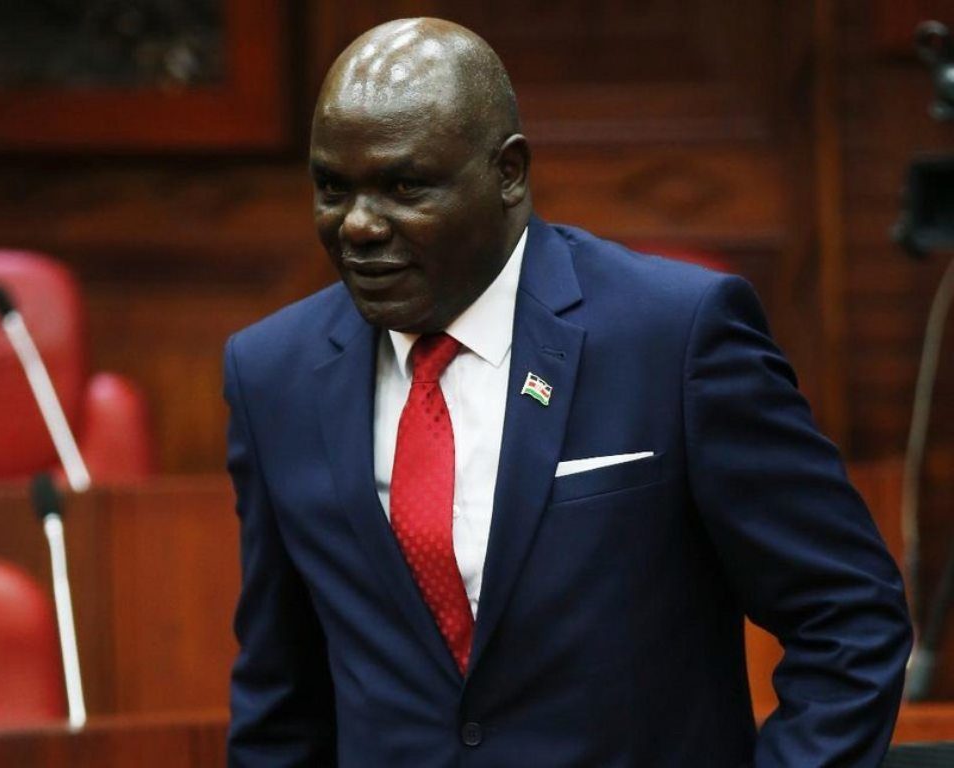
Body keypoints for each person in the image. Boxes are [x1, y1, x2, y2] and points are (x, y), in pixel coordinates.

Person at [223, 17, 911, 767]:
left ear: (509, 174)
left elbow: (848, 617)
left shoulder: (672, 338)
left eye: (404, 186)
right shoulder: (273, 375)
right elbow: (281, 699)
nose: (357, 226)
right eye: (333, 187)